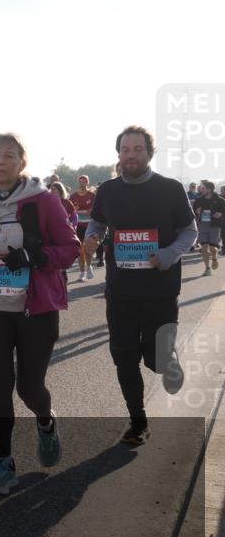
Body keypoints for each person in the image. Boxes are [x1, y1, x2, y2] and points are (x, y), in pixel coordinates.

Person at [0, 133, 80, 495]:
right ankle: (4, 463)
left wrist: (36, 257)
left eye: (9, 155)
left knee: (30, 388)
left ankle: (45, 421)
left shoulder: (43, 201)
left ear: (23, 162)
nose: (1, 160)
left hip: (35, 308)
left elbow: (69, 248)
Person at [83, 126, 197, 446]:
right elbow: (98, 222)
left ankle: (166, 358)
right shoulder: (107, 190)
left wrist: (168, 254)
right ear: (118, 153)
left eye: (137, 149)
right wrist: (92, 238)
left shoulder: (170, 189)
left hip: (160, 289)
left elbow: (189, 232)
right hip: (121, 290)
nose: (130, 155)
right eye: (125, 149)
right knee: (124, 355)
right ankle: (137, 421)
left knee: (155, 359)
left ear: (150, 152)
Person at [69, 175, 97, 281]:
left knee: (87, 249)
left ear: (87, 183)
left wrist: (87, 211)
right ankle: (82, 272)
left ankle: (88, 266)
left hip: (90, 225)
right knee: (80, 250)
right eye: (80, 182)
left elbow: (94, 209)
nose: (82, 184)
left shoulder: (92, 195)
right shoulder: (73, 196)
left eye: (84, 182)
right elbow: (70, 211)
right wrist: (76, 212)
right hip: (78, 225)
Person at [192, 180, 223, 277]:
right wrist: (197, 211)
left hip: (214, 226)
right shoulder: (199, 200)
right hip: (202, 225)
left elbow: (223, 211)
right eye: (201, 187)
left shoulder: (220, 200)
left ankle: (214, 257)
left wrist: (221, 214)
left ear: (209, 189)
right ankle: (207, 268)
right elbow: (194, 211)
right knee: (204, 248)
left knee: (213, 248)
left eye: (203, 188)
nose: (201, 189)